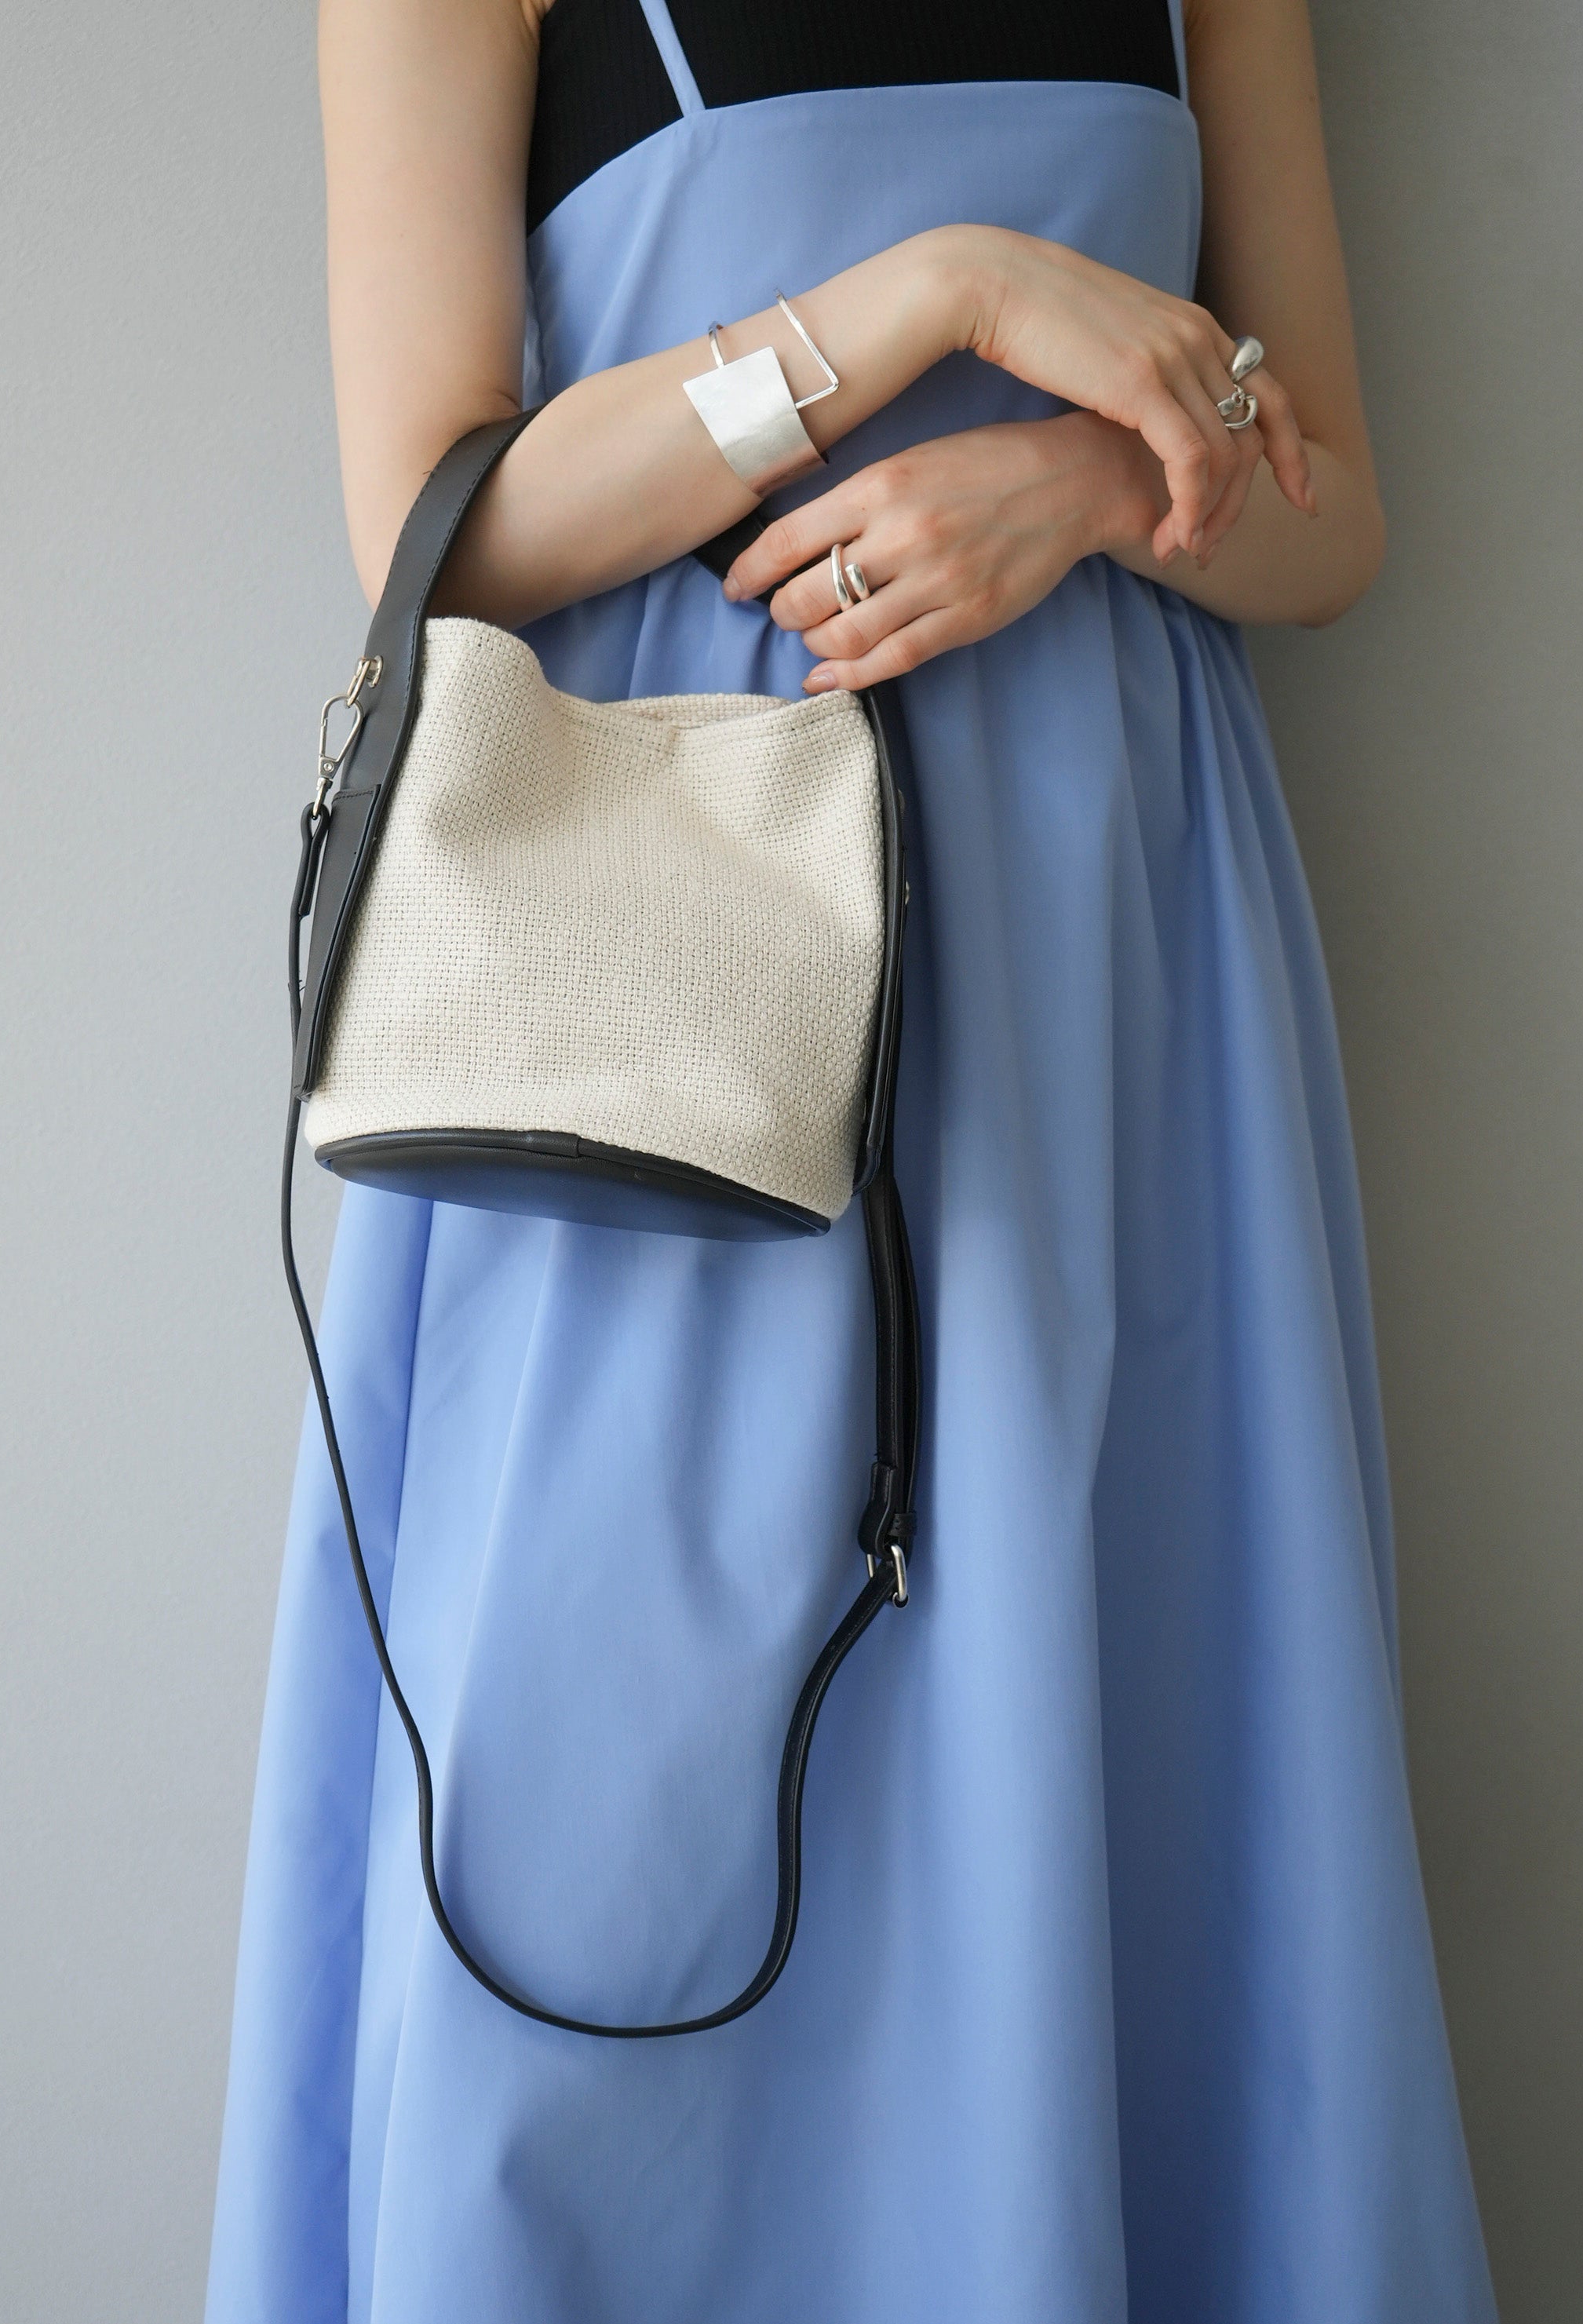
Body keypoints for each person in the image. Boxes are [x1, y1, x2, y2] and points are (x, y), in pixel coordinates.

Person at [207, 2, 1498, 2317]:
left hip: (1107, 969)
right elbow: (436, 531)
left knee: (1112, 1718)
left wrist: (1087, 484)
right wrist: (932, 303)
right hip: (671, 974)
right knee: (603, 1794)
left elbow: (1332, 520)